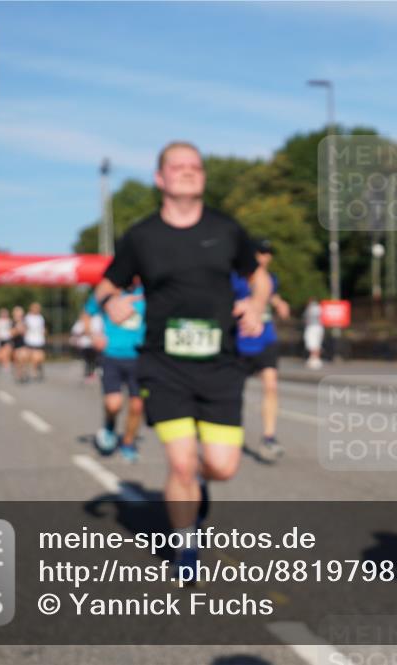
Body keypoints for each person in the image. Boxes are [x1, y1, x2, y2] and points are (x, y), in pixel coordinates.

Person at [94, 140, 270, 580]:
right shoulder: (142, 236)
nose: (188, 172)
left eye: (196, 167)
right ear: (161, 178)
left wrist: (257, 305)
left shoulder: (227, 230)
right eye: (178, 167)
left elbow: (258, 276)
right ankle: (185, 543)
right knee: (179, 462)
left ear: (204, 177)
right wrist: (111, 301)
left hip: (220, 364)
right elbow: (104, 286)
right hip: (163, 363)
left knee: (223, 466)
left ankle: (200, 486)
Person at [232, 238, 291, 462]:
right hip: (238, 341)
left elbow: (270, 294)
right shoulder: (236, 277)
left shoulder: (271, 279)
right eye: (260, 252)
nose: (264, 257)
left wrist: (279, 303)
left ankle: (269, 436)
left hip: (265, 339)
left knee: (271, 386)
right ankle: (231, 434)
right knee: (235, 393)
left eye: (268, 253)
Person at [86, 280, 146, 462]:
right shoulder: (107, 290)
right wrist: (94, 335)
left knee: (137, 406)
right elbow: (86, 315)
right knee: (114, 404)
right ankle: (110, 426)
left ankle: (128, 443)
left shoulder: (147, 291)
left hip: (139, 357)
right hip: (111, 355)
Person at [70, 310, 100, 384]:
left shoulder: (95, 321)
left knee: (93, 360)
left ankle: (91, 373)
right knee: (87, 360)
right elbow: (75, 331)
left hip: (93, 344)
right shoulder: (79, 323)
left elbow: (97, 331)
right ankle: (87, 374)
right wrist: (85, 331)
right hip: (84, 345)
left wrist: (88, 331)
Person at [23, 302, 46, 381]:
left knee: (39, 357)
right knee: (32, 357)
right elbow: (24, 328)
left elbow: (42, 328)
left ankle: (36, 368)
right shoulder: (28, 317)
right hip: (30, 340)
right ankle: (33, 371)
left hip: (39, 340)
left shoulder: (40, 317)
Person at [303, 297, 324, 369]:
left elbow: (305, 318)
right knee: (317, 343)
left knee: (312, 343)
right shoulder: (320, 308)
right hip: (319, 327)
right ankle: (315, 359)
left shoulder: (310, 308)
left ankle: (314, 359)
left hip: (311, 327)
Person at [10, 306, 29, 383]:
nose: (19, 316)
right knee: (17, 360)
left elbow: (25, 332)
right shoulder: (12, 323)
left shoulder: (24, 322)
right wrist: (17, 329)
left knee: (23, 357)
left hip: (22, 343)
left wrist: (21, 328)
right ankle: (18, 373)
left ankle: (22, 371)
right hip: (14, 344)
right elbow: (11, 333)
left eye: (21, 315)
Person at [0, 308, 13, 373]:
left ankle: (6, 367)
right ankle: (3, 365)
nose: (4, 315)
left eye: (5, 313)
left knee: (6, 354)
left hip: (7, 339)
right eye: (3, 313)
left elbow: (12, 331)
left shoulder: (10, 321)